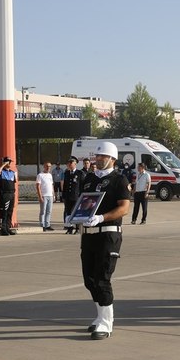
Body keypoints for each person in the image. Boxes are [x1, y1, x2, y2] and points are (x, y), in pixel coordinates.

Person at [78, 141, 131, 340]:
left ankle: (106, 322)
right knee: (89, 279)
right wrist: (74, 216)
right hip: (90, 234)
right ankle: (99, 316)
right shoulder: (89, 178)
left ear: (112, 159)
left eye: (102, 156)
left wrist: (102, 217)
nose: (98, 159)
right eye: (97, 156)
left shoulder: (119, 180)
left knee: (102, 278)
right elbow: (83, 203)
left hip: (109, 233)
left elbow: (124, 208)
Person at [61, 156, 85, 234]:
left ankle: (77, 228)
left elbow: (82, 186)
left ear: (75, 164)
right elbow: (65, 186)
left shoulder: (80, 173)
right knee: (68, 213)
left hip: (76, 197)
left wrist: (81, 196)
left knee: (76, 213)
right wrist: (63, 196)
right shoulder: (67, 173)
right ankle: (70, 228)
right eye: (69, 163)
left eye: (71, 163)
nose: (69, 164)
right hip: (68, 197)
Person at [0, 156, 17, 235]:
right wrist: (3, 165)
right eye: (7, 162)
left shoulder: (12, 172)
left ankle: (8, 227)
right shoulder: (2, 171)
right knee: (4, 212)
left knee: (10, 212)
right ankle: (3, 229)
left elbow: (14, 182)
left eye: (9, 162)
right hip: (5, 194)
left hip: (11, 193)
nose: (9, 163)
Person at [36, 162, 55, 231]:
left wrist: (53, 195)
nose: (48, 167)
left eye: (50, 166)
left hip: (50, 195)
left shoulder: (50, 175)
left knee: (49, 211)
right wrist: (40, 196)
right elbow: (38, 186)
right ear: (44, 166)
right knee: (43, 211)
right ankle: (42, 225)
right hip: (44, 195)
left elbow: (52, 185)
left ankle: (47, 225)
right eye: (47, 166)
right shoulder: (40, 175)